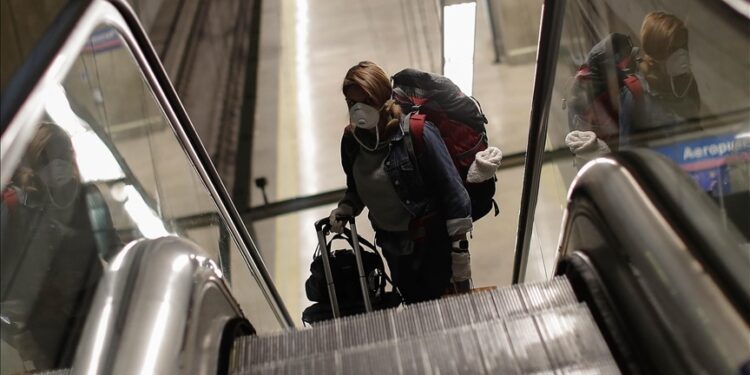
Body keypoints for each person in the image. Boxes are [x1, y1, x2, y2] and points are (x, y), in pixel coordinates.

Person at [329, 61, 474, 303]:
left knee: (446, 310)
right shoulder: (352, 141)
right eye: (352, 103)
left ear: (382, 98)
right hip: (392, 248)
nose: (358, 110)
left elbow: (454, 194)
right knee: (415, 310)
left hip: (431, 246)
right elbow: (356, 187)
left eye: (365, 101)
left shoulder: (418, 133)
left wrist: (460, 256)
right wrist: (346, 207)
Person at [0, 122, 106, 370]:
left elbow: (108, 247)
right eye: (47, 158)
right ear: (35, 165)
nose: (57, 165)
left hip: (88, 319)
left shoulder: (88, 200)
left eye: (62, 155)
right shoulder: (18, 205)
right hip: (37, 329)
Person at [619, 11, 701, 147]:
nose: (681, 54)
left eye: (683, 46)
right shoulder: (635, 94)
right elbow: (630, 152)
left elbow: (697, 131)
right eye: (674, 48)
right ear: (656, 51)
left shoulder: (687, 84)